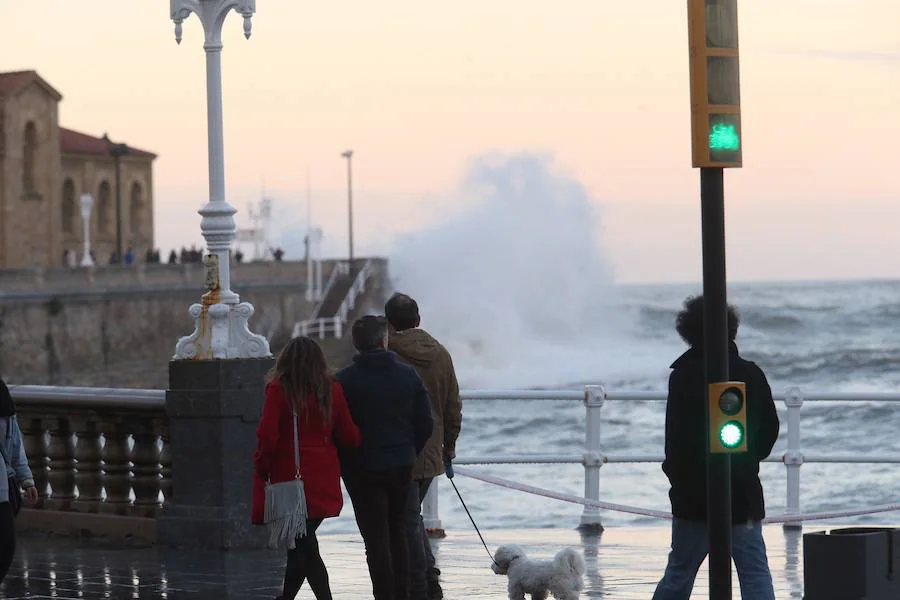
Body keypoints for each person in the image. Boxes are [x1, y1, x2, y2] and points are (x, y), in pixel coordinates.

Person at [652, 296, 780, 600]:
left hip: (692, 495)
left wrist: (678, 479)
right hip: (742, 492)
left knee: (679, 573)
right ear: (731, 329)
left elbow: (676, 441)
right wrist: (748, 460)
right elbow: (769, 430)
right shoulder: (750, 373)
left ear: (689, 331)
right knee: (754, 571)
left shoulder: (683, 376)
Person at [252, 336, 361, 600]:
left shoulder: (279, 389)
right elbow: (350, 436)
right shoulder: (332, 388)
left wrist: (262, 466)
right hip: (323, 476)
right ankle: (286, 597)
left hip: (289, 475)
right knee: (302, 543)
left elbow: (268, 435)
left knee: (303, 545)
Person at [336, 315, 434, 600]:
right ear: (384, 340)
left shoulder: (344, 381)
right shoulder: (407, 375)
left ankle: (384, 595)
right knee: (399, 531)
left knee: (375, 539)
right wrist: (408, 450)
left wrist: (350, 460)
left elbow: (337, 428)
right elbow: (425, 422)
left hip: (361, 470)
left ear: (356, 344)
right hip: (400, 466)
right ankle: (402, 593)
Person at [384, 293, 462, 600]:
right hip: (430, 452)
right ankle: (427, 575)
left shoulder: (389, 353)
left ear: (390, 323)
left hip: (398, 451)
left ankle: (425, 581)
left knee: (406, 520)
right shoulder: (441, 353)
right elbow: (452, 404)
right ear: (418, 320)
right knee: (411, 516)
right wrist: (450, 445)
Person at [0, 377, 38, 584]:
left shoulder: (3, 399)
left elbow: (14, 444)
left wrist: (26, 480)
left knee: (5, 547)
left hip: (3, 488)